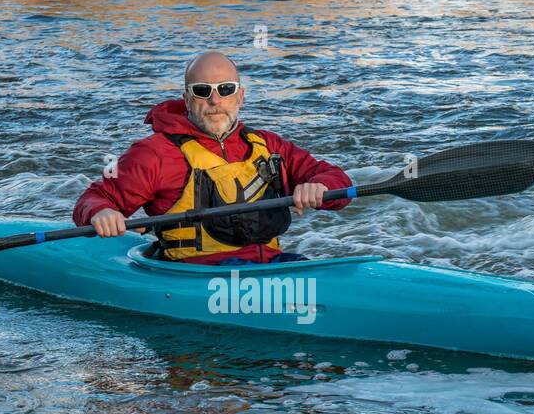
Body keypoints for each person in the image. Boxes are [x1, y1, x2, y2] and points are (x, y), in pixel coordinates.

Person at [71, 51, 352, 265]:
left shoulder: (268, 145)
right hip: (199, 277)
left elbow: (339, 184)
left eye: (226, 89)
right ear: (187, 98)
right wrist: (101, 212)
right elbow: (94, 198)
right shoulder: (153, 153)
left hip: (269, 268)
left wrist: (322, 186)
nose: (215, 101)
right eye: (203, 91)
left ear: (240, 97)